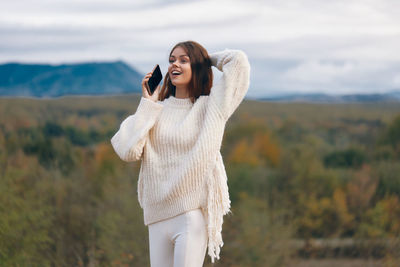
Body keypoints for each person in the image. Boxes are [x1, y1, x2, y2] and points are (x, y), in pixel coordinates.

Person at [111, 40, 250, 267]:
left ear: (196, 66)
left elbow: (239, 62)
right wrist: (147, 103)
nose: (175, 64)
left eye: (183, 60)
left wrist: (205, 59)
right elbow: (127, 151)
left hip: (189, 216)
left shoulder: (210, 107)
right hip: (156, 217)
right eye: (172, 60)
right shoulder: (155, 111)